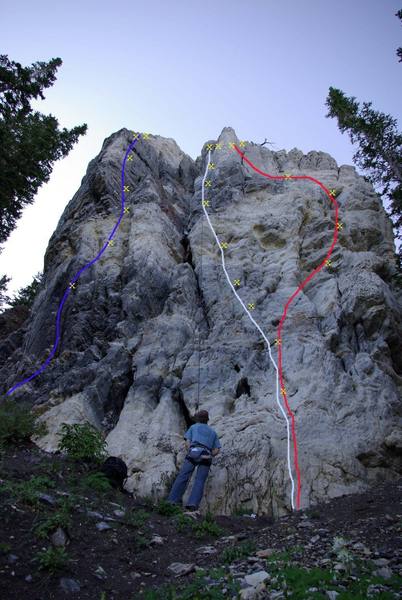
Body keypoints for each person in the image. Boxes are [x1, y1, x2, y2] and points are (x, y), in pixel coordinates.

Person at [167, 409, 221, 511]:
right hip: (206, 455)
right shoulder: (213, 432)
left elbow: (187, 442)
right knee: (200, 481)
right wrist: (210, 455)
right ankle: (192, 504)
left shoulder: (193, 427)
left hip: (194, 452)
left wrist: (190, 451)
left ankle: (172, 501)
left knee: (183, 477)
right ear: (207, 420)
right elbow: (217, 449)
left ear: (198, 419)